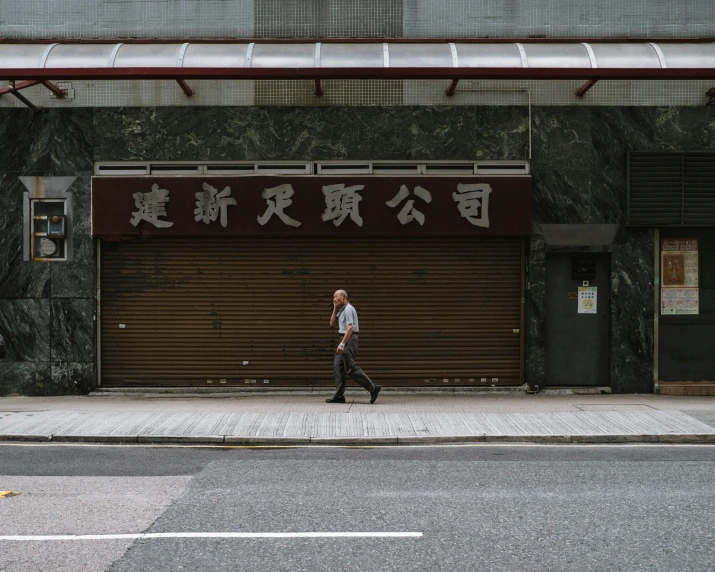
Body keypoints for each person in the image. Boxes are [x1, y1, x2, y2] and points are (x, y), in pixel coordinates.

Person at [326, 289, 381, 404]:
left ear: (344, 298)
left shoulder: (348, 309)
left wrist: (342, 344)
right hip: (344, 337)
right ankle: (339, 395)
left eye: (337, 297)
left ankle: (373, 388)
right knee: (338, 366)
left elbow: (350, 328)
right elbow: (331, 324)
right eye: (333, 297)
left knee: (350, 368)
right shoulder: (341, 310)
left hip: (349, 339)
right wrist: (335, 308)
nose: (334, 299)